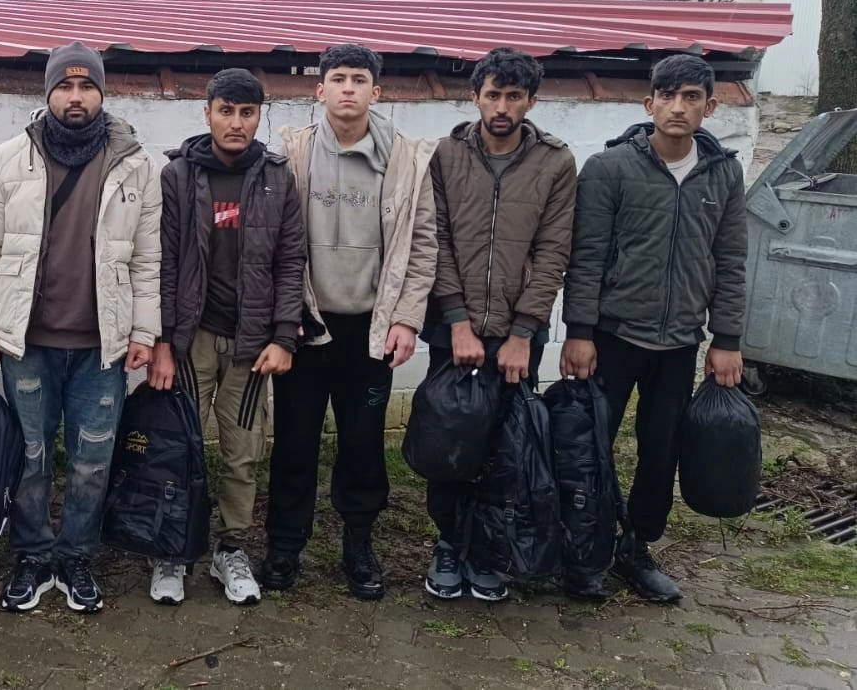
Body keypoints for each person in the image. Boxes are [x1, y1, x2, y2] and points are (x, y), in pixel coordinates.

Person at [0, 41, 161, 614]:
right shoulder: (9, 159)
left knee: (92, 460)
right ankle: (31, 553)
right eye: (65, 86)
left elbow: (148, 259)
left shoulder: (136, 164)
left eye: (87, 86)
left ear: (102, 92)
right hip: (26, 342)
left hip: (101, 347)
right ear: (48, 92)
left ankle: (77, 555)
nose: (76, 97)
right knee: (30, 455)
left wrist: (143, 333)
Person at [561, 54, 747, 603]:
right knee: (590, 446)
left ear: (709, 108)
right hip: (613, 337)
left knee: (660, 451)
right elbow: (586, 257)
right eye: (667, 96)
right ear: (649, 104)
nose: (678, 107)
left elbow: (731, 260)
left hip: (680, 341)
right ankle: (584, 547)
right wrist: (579, 330)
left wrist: (727, 340)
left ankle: (636, 547)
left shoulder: (723, 174)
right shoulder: (609, 168)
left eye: (691, 97)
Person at [257, 44, 438, 600]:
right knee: (294, 442)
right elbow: (272, 241)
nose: (348, 88)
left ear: (375, 92)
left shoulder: (407, 159)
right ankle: (285, 545)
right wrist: (283, 318)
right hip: (306, 326)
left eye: (359, 79)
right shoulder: (291, 153)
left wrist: (406, 319)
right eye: (338, 78)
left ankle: (359, 543)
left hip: (370, 330)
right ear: (320, 90)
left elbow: (423, 246)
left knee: (362, 444)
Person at [422, 47, 576, 603]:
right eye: (493, 95)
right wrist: (457, 322)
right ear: (476, 98)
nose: (502, 107)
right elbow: (435, 241)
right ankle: (447, 544)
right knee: (452, 441)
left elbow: (554, 251)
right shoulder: (446, 155)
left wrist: (523, 333)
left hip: (517, 334)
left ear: (531, 100)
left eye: (514, 96)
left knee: (507, 446)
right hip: (453, 327)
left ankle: (489, 549)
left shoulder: (556, 162)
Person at [146, 68, 305, 606]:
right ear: (207, 113)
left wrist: (283, 336)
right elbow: (163, 262)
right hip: (190, 343)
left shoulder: (277, 178)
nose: (236, 123)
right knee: (178, 450)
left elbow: (290, 261)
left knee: (242, 454)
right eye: (226, 111)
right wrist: (163, 341)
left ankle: (231, 549)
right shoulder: (177, 176)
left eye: (247, 113)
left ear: (259, 116)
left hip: (250, 346)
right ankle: (172, 549)